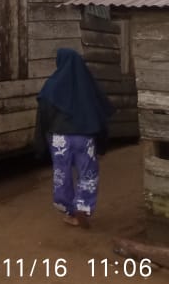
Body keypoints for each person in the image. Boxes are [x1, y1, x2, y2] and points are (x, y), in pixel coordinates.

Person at [34, 47, 115, 228]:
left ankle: (69, 210)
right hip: (84, 138)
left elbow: (43, 116)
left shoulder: (52, 86)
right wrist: (102, 144)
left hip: (59, 139)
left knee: (62, 173)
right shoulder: (88, 86)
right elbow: (101, 115)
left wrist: (40, 144)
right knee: (88, 172)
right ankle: (83, 207)